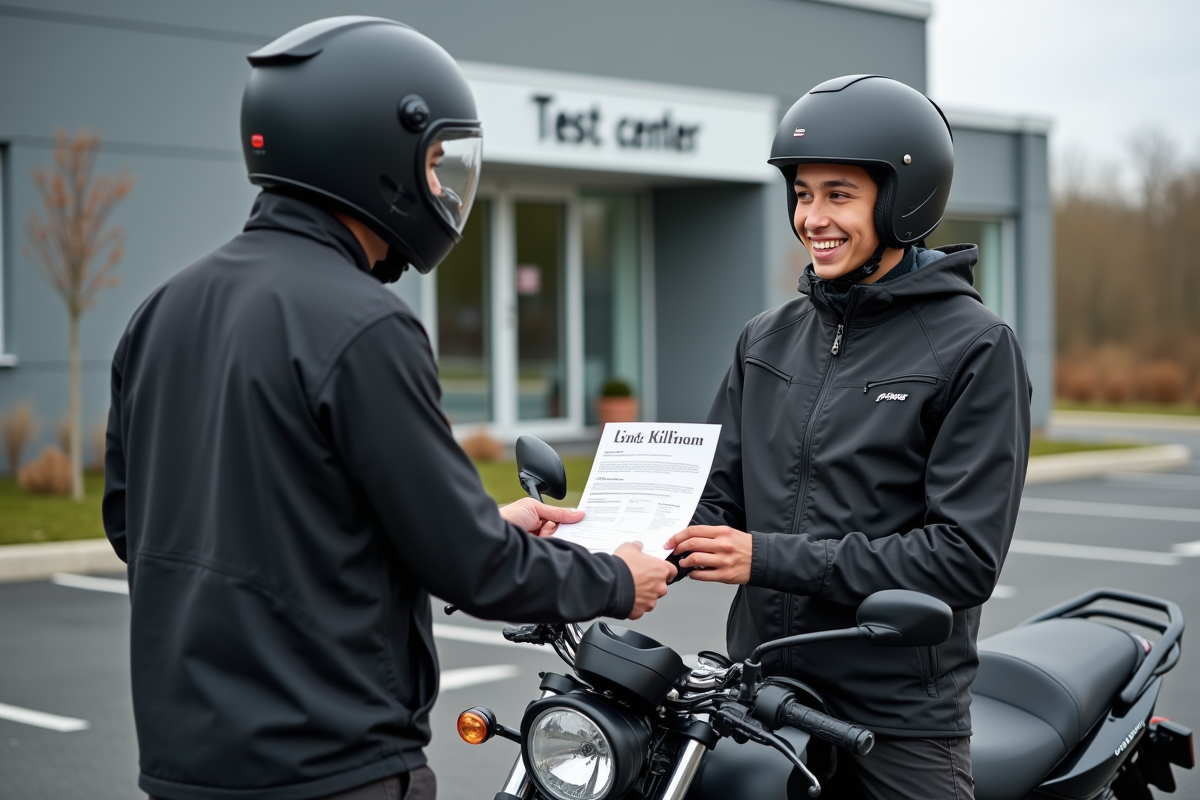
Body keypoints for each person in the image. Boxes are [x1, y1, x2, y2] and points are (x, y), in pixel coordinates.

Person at [102, 17, 675, 800]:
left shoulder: (162, 309)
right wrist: (615, 578)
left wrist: (466, 529)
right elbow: (475, 568)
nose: (440, 186)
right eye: (434, 162)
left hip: (184, 765)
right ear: (373, 154)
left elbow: (138, 526)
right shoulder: (363, 323)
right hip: (331, 764)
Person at [665, 75, 1031, 800]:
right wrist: (620, 547)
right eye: (802, 194)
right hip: (763, 689)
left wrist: (766, 556)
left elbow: (961, 560)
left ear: (902, 199)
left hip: (895, 716)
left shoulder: (975, 348)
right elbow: (714, 494)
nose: (812, 218)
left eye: (839, 194)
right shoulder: (764, 340)